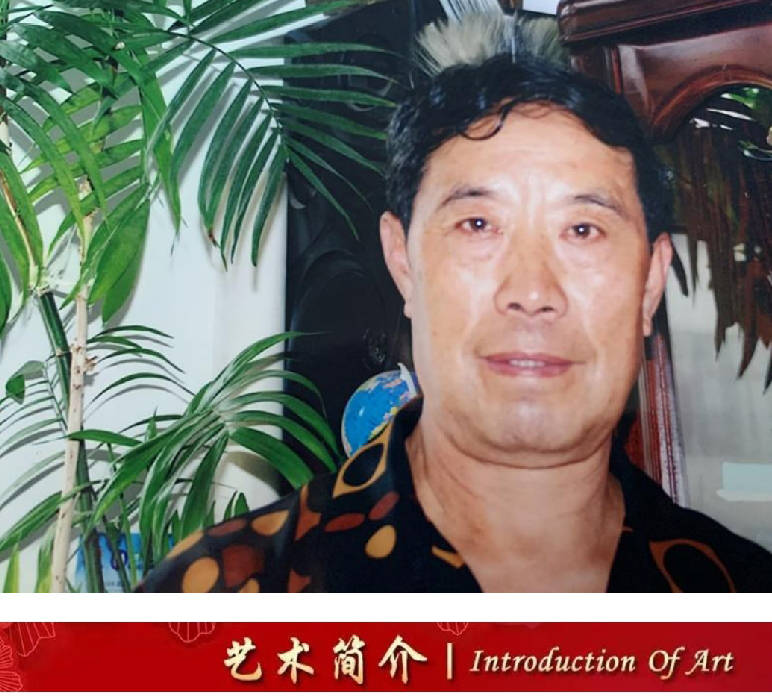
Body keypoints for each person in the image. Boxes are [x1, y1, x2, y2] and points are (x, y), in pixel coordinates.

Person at [138, 7, 772, 593]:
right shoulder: (221, 600)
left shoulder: (740, 598)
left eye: (583, 230)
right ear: (403, 263)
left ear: (651, 282)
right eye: (477, 225)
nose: (531, 292)